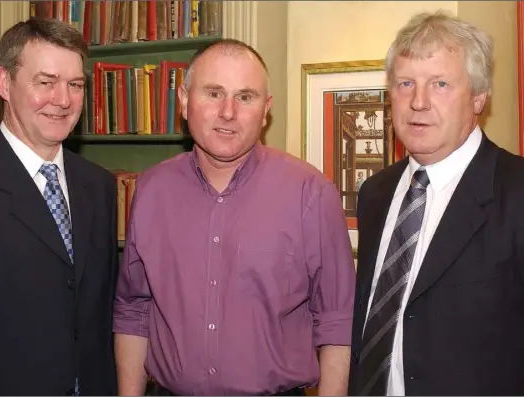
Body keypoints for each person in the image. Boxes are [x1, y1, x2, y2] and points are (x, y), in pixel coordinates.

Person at [113, 39, 356, 396]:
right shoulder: (150, 190)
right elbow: (133, 309)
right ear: (183, 101)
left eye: (245, 97)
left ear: (266, 109)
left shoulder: (311, 193)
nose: (228, 112)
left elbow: (337, 323)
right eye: (213, 93)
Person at [0, 18, 118, 395]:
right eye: (45, 82)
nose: (62, 100)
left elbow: (98, 317)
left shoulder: (99, 186)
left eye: (75, 85)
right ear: (4, 83)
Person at [348, 11, 524, 396]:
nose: (419, 102)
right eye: (405, 83)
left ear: (479, 97)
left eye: (440, 84)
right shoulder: (375, 194)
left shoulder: (517, 192)